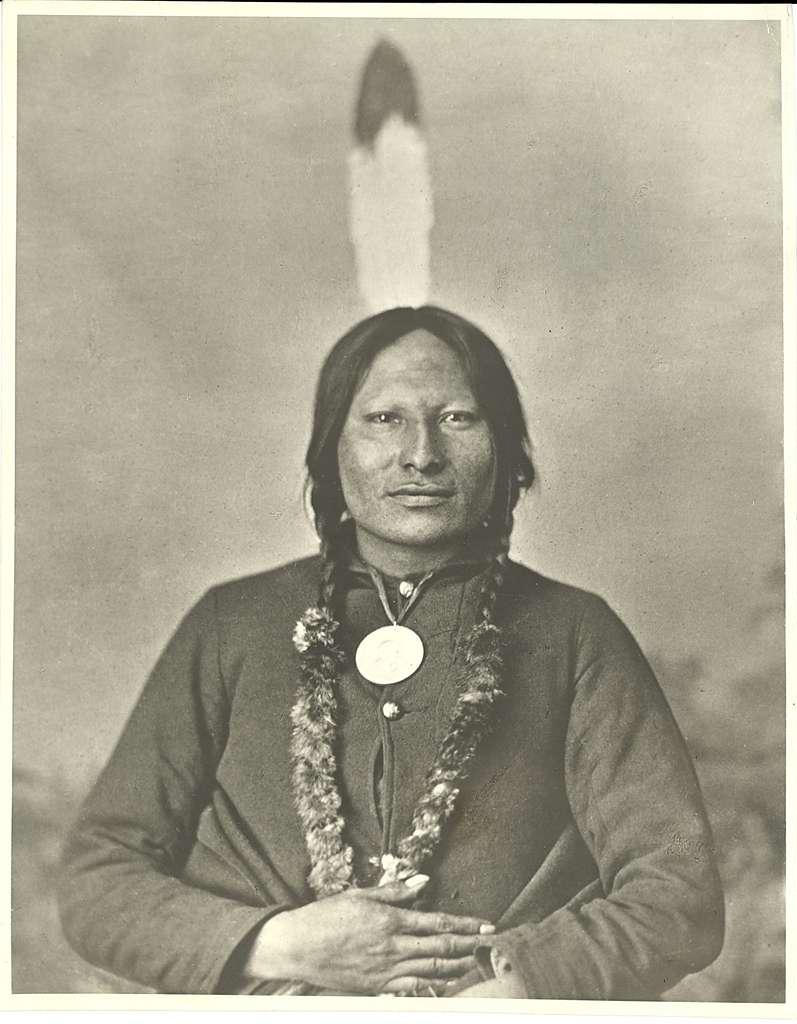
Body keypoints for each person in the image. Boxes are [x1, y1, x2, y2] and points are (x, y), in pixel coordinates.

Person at [58, 305, 724, 998]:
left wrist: (514, 994)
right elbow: (97, 882)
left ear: (504, 449)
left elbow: (678, 896)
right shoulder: (233, 624)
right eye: (384, 419)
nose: (421, 455)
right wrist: (282, 945)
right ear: (331, 449)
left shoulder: (575, 632)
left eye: (458, 418)